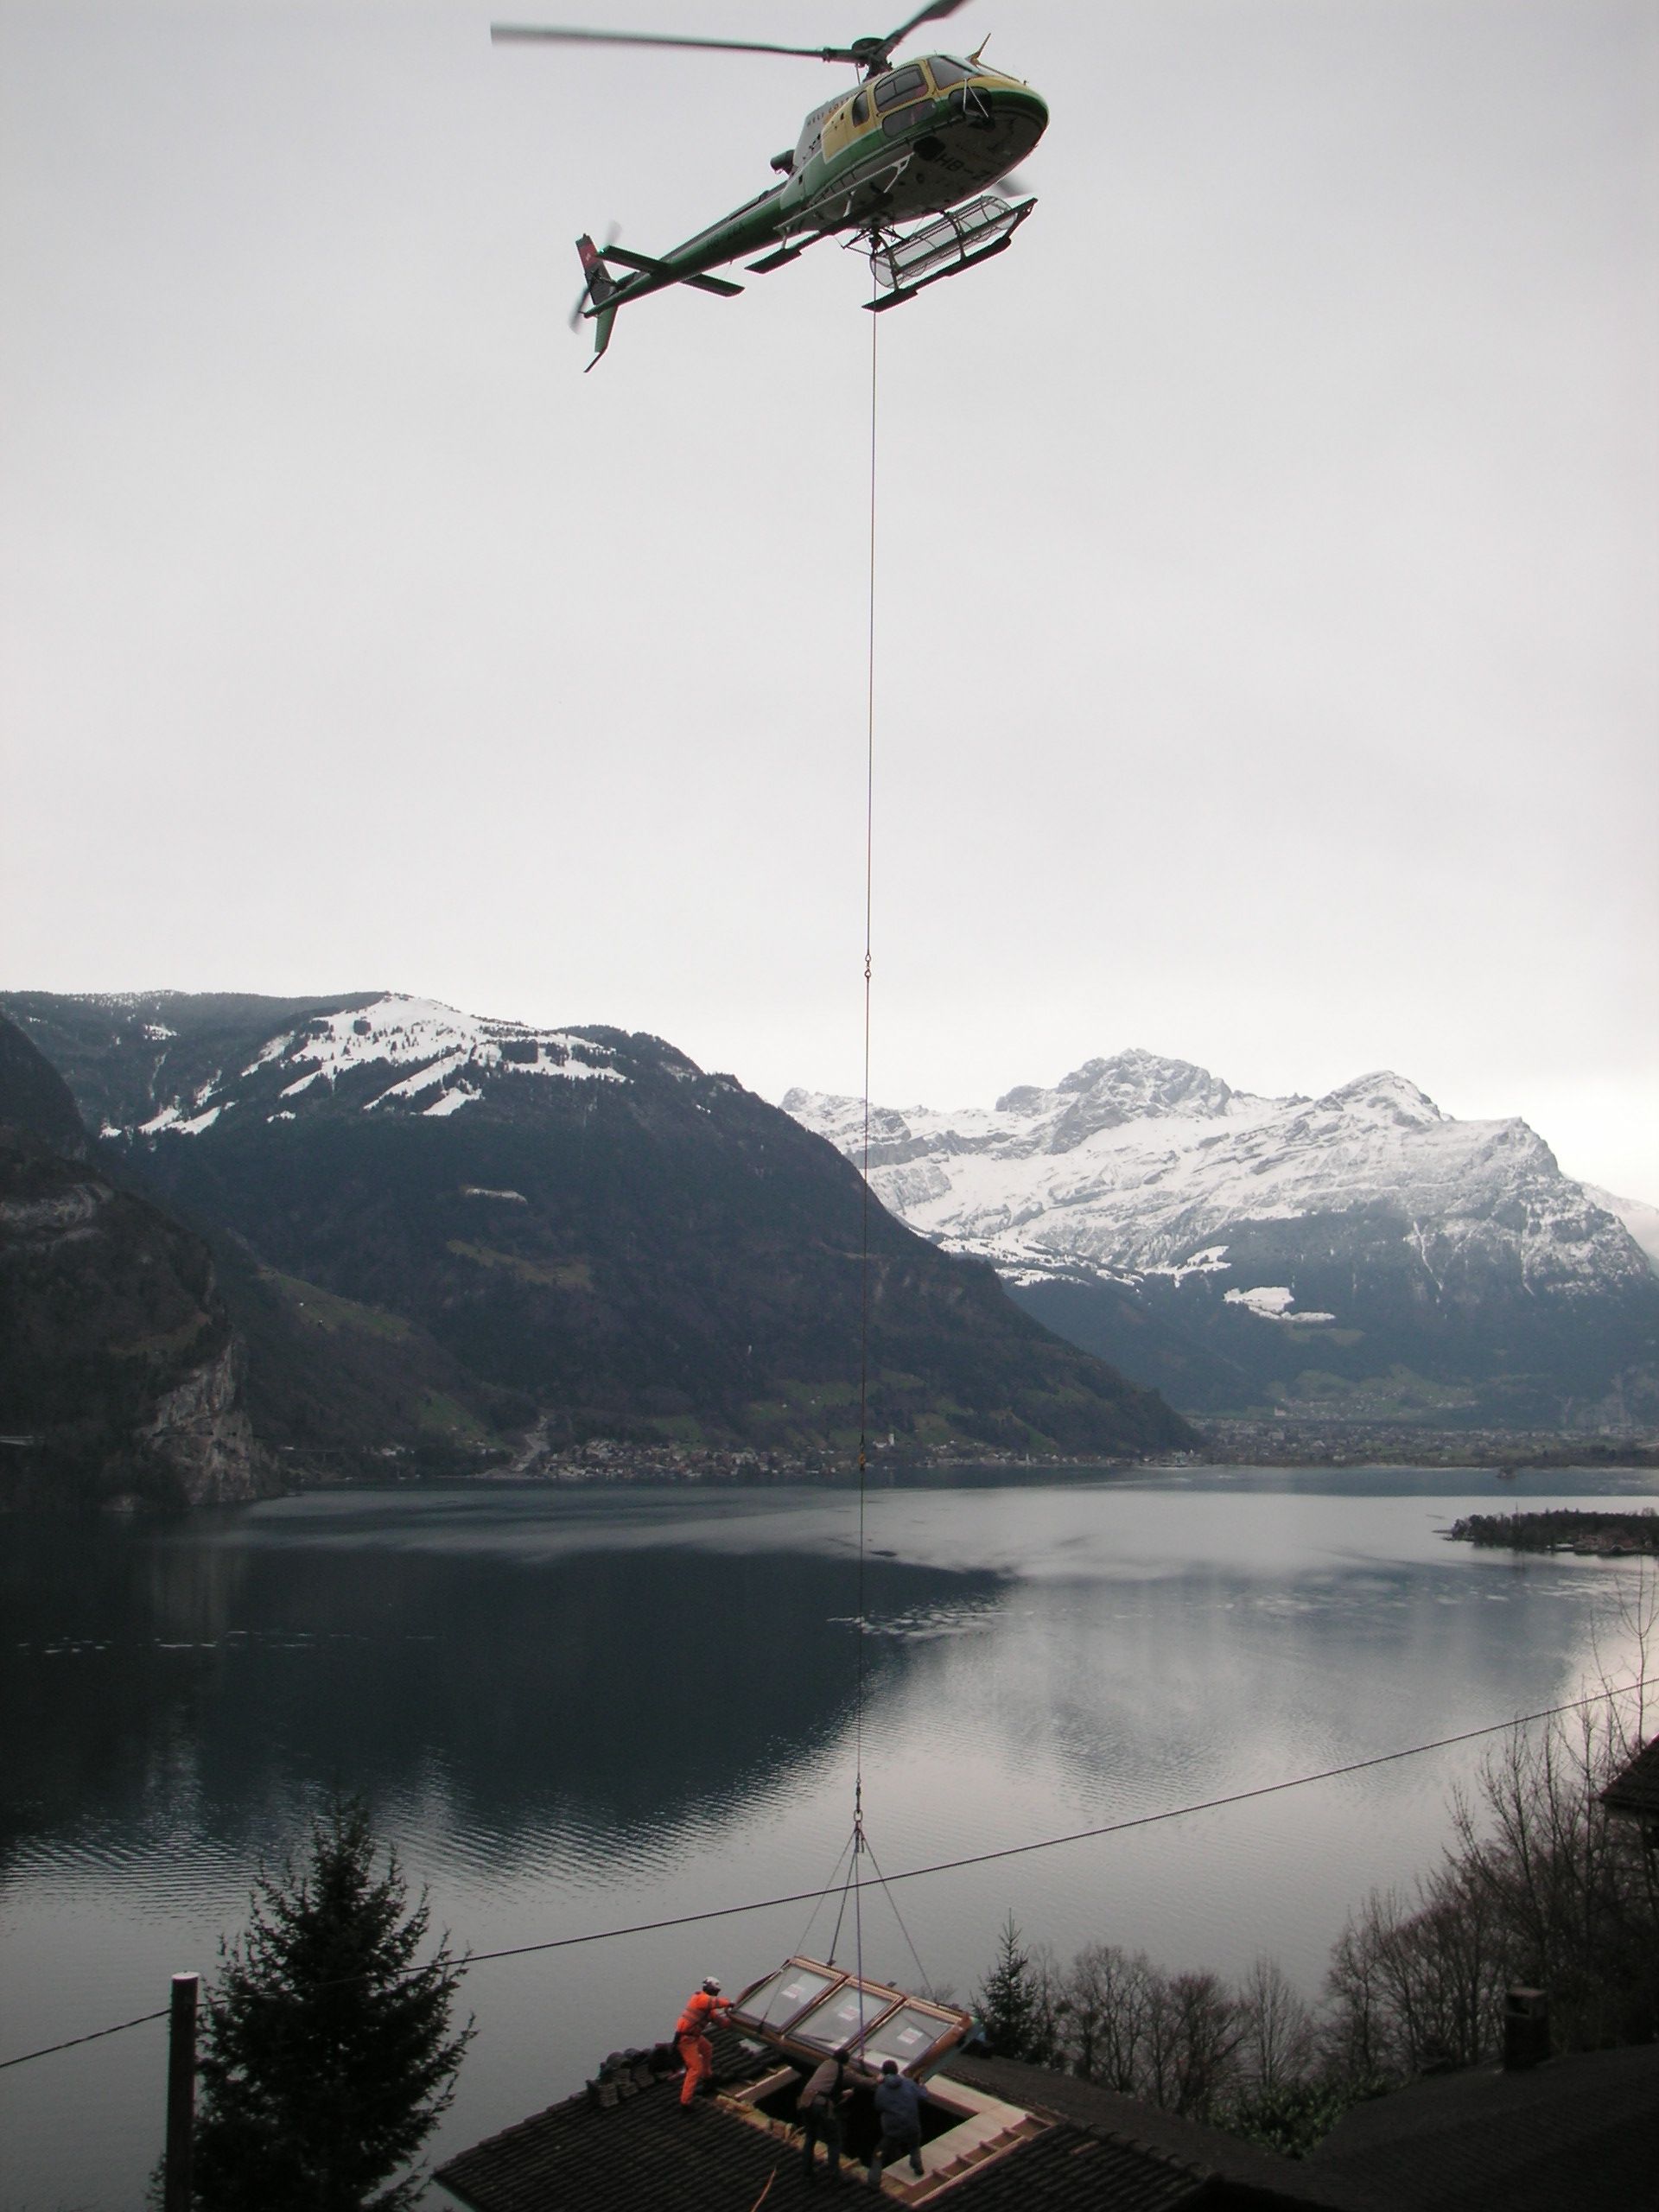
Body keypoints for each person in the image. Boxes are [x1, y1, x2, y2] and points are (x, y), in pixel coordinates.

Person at [675, 1976, 734, 2108]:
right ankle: (685, 2102)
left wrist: (732, 2022)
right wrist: (730, 2003)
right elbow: (714, 2002)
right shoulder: (700, 1999)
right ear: (709, 1989)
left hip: (694, 2036)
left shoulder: (708, 2008)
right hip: (686, 2039)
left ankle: (707, 2076)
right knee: (695, 2069)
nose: (716, 1993)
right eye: (715, 1991)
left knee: (707, 2048)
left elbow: (720, 2021)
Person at [796, 2052, 852, 2186]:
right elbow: (833, 2093)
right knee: (834, 2140)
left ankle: (807, 2172)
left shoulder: (825, 2064)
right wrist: (845, 2094)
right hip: (819, 2104)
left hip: (805, 2101)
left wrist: (841, 2095)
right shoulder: (838, 2068)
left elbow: (825, 2089)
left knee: (810, 2137)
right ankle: (835, 2176)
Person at [868, 2058, 926, 2185]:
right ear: (897, 2070)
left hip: (893, 2129)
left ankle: (874, 2181)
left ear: (883, 2073)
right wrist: (921, 2085)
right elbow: (923, 2096)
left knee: (879, 2153)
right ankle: (917, 2165)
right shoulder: (909, 2083)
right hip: (912, 2125)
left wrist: (880, 2084)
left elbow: (878, 2107)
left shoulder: (881, 2089)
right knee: (914, 2146)